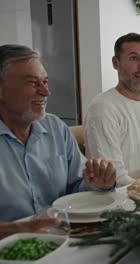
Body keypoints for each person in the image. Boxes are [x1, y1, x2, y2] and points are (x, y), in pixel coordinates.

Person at [0, 44, 116, 222]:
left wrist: (98, 184)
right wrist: (19, 230)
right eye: (32, 83)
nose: (46, 92)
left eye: (45, 82)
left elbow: (77, 186)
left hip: (63, 237)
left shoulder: (56, 128)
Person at [84, 33, 140, 187]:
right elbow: (115, 178)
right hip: (124, 203)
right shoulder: (103, 107)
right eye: (134, 58)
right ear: (116, 63)